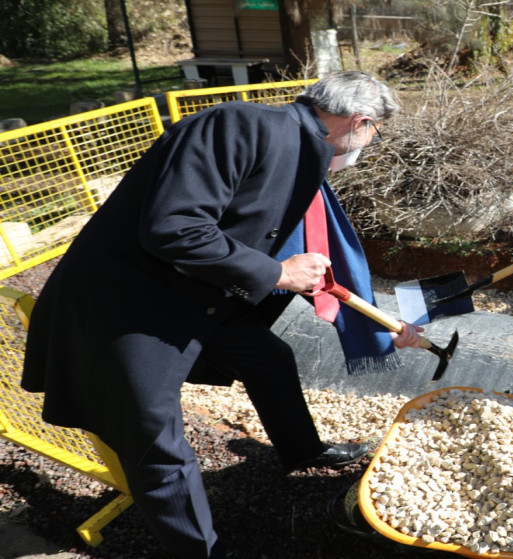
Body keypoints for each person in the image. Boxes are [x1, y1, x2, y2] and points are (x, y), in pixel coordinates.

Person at [20, 71, 422, 558]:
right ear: (360, 122)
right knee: (157, 445)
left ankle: (303, 450)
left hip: (197, 295)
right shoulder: (238, 126)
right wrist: (276, 272)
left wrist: (374, 326)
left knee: (267, 358)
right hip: (128, 307)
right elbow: (173, 229)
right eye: (375, 134)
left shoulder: (298, 149)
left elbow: (279, 241)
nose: (368, 144)